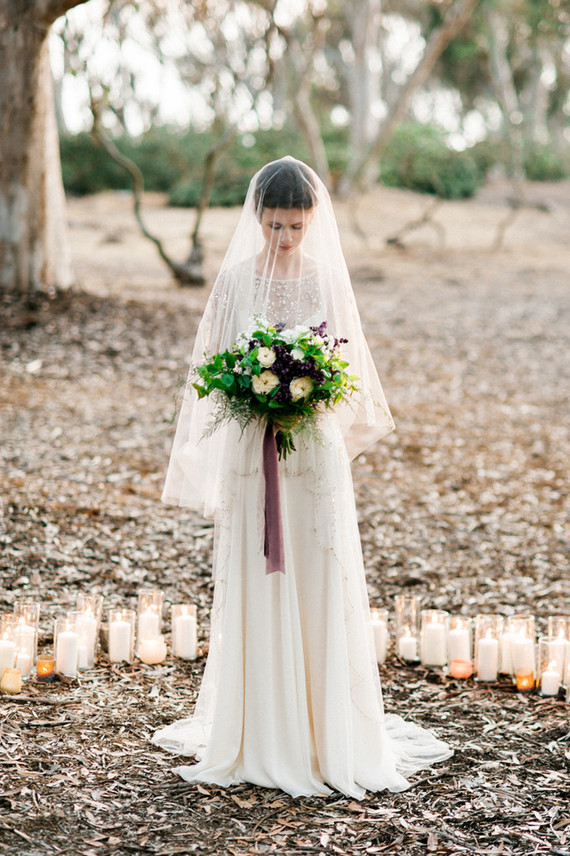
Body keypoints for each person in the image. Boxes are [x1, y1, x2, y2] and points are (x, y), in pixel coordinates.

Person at [152, 156, 452, 798]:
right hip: (251, 448)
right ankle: (262, 726)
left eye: (295, 226)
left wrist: (303, 398)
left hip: (312, 453)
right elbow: (210, 371)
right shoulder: (232, 282)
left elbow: (346, 374)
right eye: (274, 225)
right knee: (259, 577)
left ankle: (322, 730)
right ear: (256, 217)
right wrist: (251, 396)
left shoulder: (324, 280)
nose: (283, 238)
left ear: (313, 221)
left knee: (315, 574)